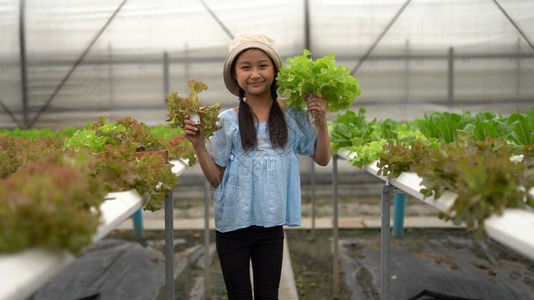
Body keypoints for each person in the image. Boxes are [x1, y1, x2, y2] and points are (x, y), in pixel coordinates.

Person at [183, 33, 331, 300]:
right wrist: (198, 145)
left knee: (268, 295)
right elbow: (218, 180)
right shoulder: (227, 121)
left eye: (262, 65)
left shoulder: (292, 115)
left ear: (274, 71)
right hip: (231, 226)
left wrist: (321, 120)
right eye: (246, 67)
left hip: (270, 227)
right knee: (238, 295)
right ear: (235, 75)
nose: (255, 74)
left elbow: (322, 158)